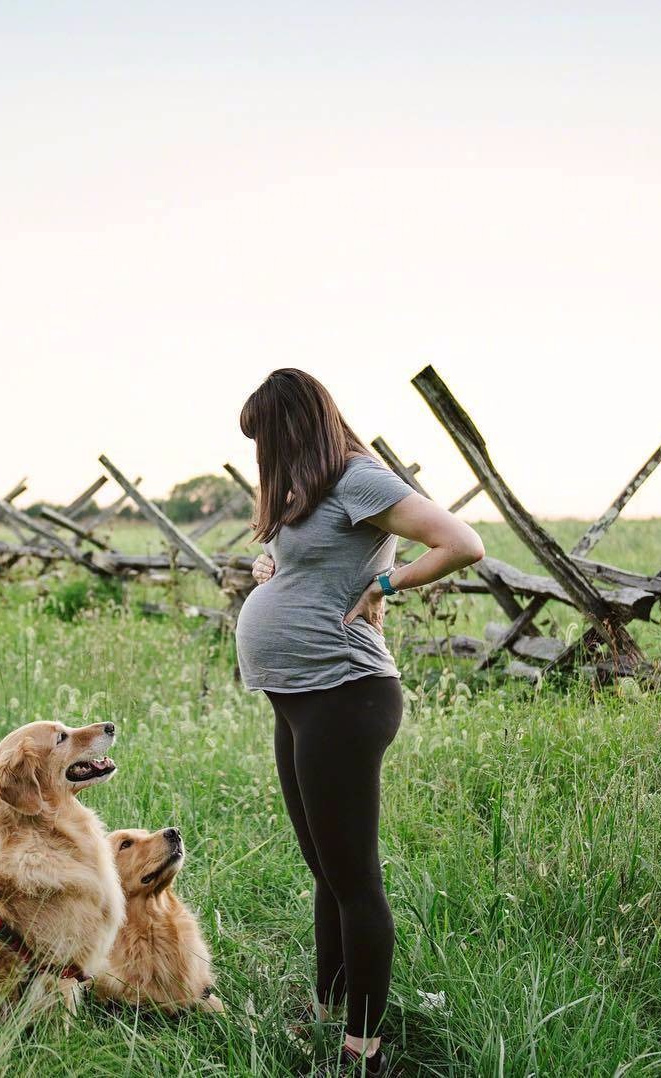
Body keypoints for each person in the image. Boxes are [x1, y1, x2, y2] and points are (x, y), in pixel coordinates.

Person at [235, 369, 484, 1076]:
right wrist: (271, 565)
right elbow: (315, 562)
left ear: (297, 425)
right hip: (300, 698)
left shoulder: (357, 477)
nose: (264, 455)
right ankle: (326, 1012)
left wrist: (383, 584)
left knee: (354, 881)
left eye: (268, 438)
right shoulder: (310, 490)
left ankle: (364, 1051)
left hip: (347, 694)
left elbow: (461, 541)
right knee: (326, 869)